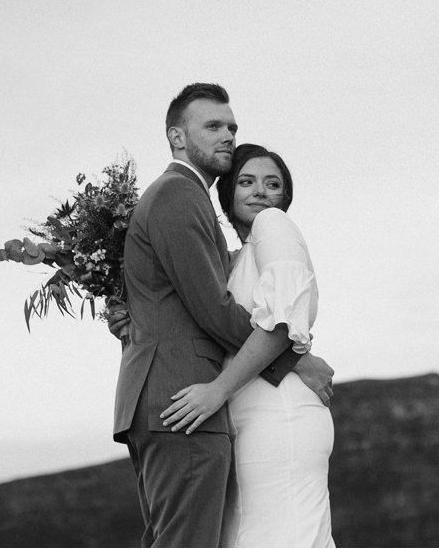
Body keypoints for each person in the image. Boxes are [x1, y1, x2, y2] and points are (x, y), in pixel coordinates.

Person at [113, 84, 334, 549]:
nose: (227, 136)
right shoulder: (179, 194)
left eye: (231, 127)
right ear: (177, 137)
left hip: (190, 402)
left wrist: (130, 311)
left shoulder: (245, 236)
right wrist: (293, 359)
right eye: (212, 126)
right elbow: (212, 308)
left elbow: (178, 296)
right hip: (185, 397)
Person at [161, 143, 335, 548]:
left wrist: (216, 392)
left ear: (284, 197)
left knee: (285, 535)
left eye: (272, 183)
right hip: (251, 415)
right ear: (228, 194)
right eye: (247, 182)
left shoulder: (273, 224)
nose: (260, 192)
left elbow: (281, 324)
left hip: (280, 414)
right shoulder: (238, 257)